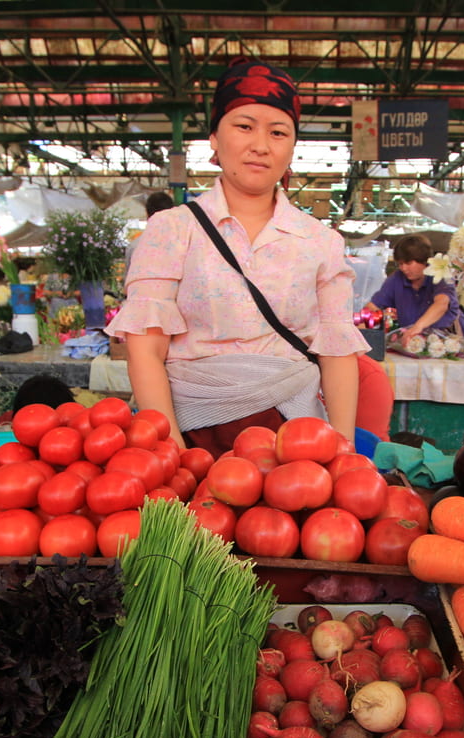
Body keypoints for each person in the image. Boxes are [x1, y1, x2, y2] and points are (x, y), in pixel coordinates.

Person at [105, 59, 371, 455]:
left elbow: (337, 353)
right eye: (244, 126)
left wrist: (343, 450)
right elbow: (146, 349)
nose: (261, 145)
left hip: (294, 437)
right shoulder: (171, 230)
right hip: (192, 433)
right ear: (214, 136)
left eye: (278, 132)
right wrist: (173, 451)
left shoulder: (320, 241)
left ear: (292, 147)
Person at [363, 234, 464, 348]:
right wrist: (363, 322)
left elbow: (441, 304)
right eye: (400, 264)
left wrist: (417, 328)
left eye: (408, 263)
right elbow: (372, 306)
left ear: (424, 261)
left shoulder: (441, 276)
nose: (404, 268)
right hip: (412, 345)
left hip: (448, 344)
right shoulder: (396, 279)